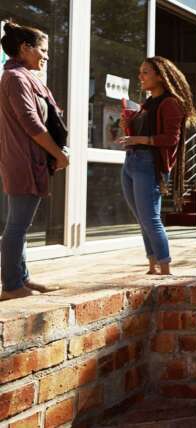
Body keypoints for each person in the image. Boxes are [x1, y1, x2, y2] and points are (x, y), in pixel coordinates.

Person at [0, 20, 69, 301]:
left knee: (21, 224)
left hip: (29, 161)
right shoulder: (15, 79)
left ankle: (22, 279)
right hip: (23, 162)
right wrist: (58, 153)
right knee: (17, 226)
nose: (46, 56)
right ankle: (12, 285)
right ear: (25, 48)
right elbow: (31, 123)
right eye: (42, 49)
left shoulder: (23, 77)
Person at [117, 56, 196, 275]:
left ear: (160, 76)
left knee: (151, 218)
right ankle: (152, 266)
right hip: (132, 161)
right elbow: (141, 134)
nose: (140, 76)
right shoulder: (148, 103)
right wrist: (128, 126)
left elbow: (171, 139)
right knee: (142, 219)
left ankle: (165, 267)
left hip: (149, 165)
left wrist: (139, 140)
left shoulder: (170, 103)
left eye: (145, 72)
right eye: (140, 72)